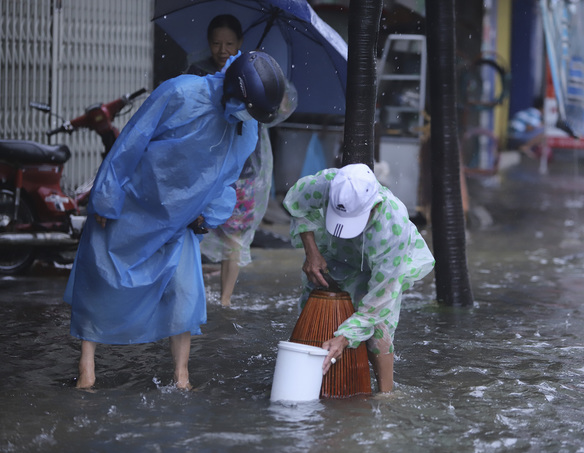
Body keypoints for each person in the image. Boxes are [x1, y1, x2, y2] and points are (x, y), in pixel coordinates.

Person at [64, 50, 286, 390]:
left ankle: (181, 376)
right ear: (233, 91)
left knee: (185, 294)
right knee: (101, 280)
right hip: (133, 206)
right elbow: (131, 142)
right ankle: (87, 366)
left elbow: (226, 178)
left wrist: (208, 215)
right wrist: (107, 198)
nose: (248, 117)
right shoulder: (180, 92)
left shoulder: (247, 128)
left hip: (181, 218)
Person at [283, 163, 435, 393]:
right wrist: (311, 252)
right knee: (315, 303)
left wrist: (344, 338)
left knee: (378, 326)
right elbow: (297, 203)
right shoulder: (327, 185)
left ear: (374, 205)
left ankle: (386, 394)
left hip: (384, 264)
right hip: (338, 250)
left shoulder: (393, 225)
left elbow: (377, 304)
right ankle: (314, 383)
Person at [188, 14, 297, 307]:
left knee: (233, 238)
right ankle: (190, 294)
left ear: (240, 43)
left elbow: (277, 108)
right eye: (216, 43)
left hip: (246, 170)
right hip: (207, 166)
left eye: (229, 43)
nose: (222, 50)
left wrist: (262, 85)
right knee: (194, 228)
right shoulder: (197, 73)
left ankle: (224, 300)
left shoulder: (256, 72)